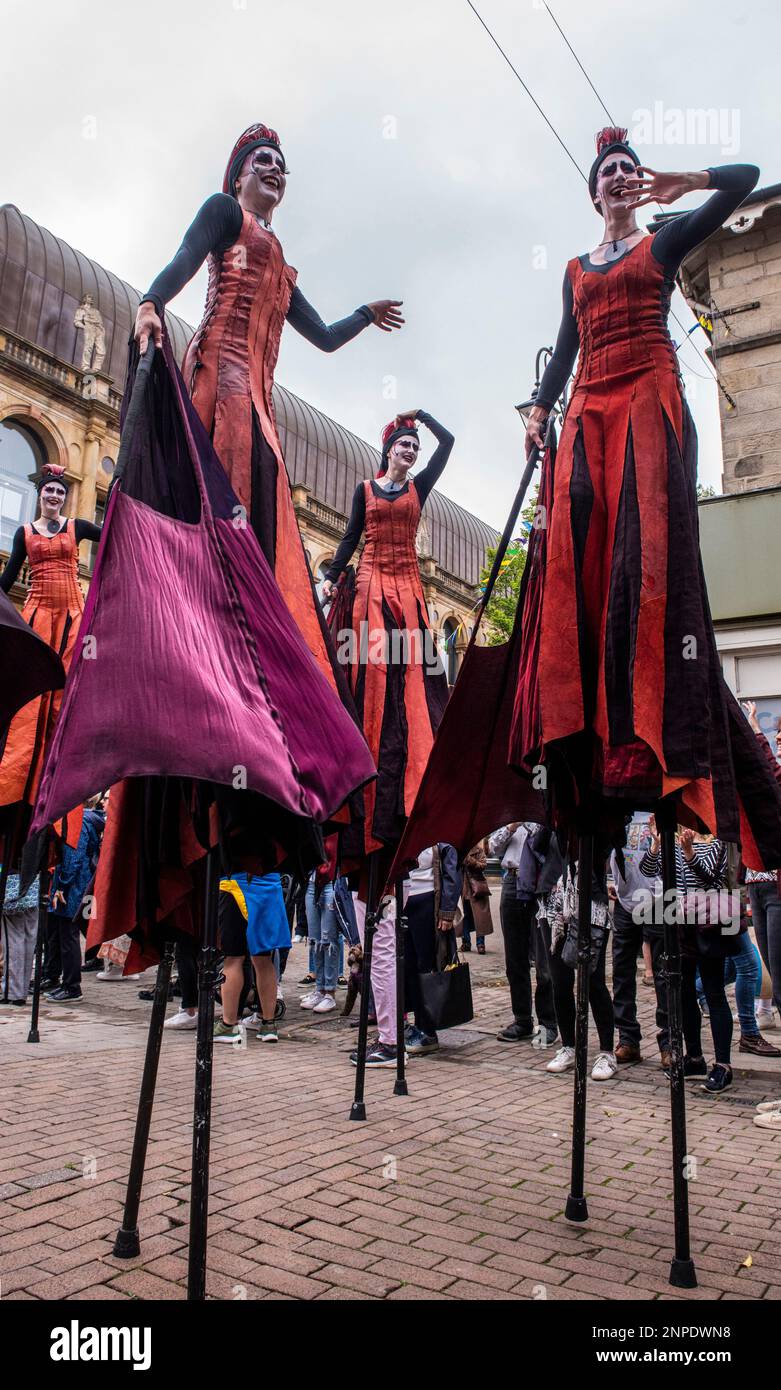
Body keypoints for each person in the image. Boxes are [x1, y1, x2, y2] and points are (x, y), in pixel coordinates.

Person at [512, 131, 781, 868]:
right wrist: (538, 411)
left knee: (644, 550)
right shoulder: (573, 269)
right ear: (594, 190)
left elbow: (743, 177)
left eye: (631, 170)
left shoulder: (661, 243)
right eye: (612, 172)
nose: (623, 178)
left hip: (646, 400)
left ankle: (648, 731)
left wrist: (679, 180)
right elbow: (563, 347)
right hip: (587, 409)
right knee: (582, 553)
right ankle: (579, 720)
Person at [135, 121, 402, 693]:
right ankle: (199, 642)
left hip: (260, 407)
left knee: (258, 522)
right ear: (237, 178)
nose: (275, 169)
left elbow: (326, 337)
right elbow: (186, 255)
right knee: (216, 511)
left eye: (281, 164)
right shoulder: (223, 213)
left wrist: (363, 314)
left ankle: (244, 660)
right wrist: (152, 300)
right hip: (218, 380)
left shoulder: (279, 259)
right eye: (262, 160)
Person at [322, 409, 453, 853]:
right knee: (372, 672)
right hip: (372, 584)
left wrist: (424, 419)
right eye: (405, 444)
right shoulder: (365, 490)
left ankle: (412, 759)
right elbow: (349, 536)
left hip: (408, 587)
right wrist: (331, 577)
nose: (411, 451)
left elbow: (448, 443)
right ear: (390, 449)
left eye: (415, 446)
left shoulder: (421, 487)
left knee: (411, 674)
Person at [0, 464, 100, 849]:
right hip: (39, 617)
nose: (54, 497)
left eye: (60, 492)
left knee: (63, 699)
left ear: (65, 497)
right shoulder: (25, 533)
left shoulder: (78, 527)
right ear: (40, 495)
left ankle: (55, 781)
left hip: (72, 620)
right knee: (32, 701)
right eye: (49, 492)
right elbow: (8, 578)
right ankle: (17, 783)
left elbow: (115, 534)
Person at [640, 827, 746, 1093]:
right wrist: (655, 845)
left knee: (713, 992)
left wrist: (688, 852)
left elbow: (712, 880)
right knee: (684, 992)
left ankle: (723, 1064)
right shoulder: (672, 839)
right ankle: (695, 1058)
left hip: (710, 922)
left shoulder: (718, 841)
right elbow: (648, 872)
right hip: (680, 922)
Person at [539, 854, 616, 1081]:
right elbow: (536, 845)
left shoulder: (598, 823)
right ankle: (568, 1047)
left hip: (590, 904)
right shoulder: (551, 824)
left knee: (593, 982)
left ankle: (606, 1053)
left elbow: (612, 845)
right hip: (554, 905)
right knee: (560, 982)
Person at [488, 823, 556, 1046]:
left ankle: (548, 1024)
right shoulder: (511, 813)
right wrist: (511, 827)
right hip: (512, 879)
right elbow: (492, 847)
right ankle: (523, 1020)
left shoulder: (544, 812)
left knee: (544, 961)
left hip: (541, 879)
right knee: (515, 960)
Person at [608, 814, 667, 1066]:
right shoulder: (619, 809)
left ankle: (669, 1043)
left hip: (657, 899)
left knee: (664, 974)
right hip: (624, 901)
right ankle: (628, 1039)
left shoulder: (659, 806)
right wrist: (610, 880)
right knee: (622, 971)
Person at [42, 797, 106, 1002]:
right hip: (77, 884)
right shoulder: (83, 819)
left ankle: (71, 985)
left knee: (68, 934)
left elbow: (74, 855)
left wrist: (63, 884)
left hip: (74, 886)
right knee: (63, 933)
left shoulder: (79, 820)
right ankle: (61, 978)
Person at [215, 873, 291, 1044]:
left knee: (233, 959)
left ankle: (229, 1024)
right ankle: (268, 1024)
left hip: (235, 884)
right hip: (269, 886)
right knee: (263, 959)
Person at [403, 843, 461, 1056]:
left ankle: (428, 1031)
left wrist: (447, 911)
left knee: (426, 967)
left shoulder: (441, 831)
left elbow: (452, 871)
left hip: (428, 901)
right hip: (403, 901)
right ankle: (415, 1026)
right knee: (408, 966)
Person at [0, 872, 38, 1006]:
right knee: (28, 937)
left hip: (12, 882)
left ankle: (12, 992)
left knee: (13, 939)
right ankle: (20, 991)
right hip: (33, 884)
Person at [460, 841, 492, 954]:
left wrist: (469, 860)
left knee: (479, 918)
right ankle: (466, 942)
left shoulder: (478, 850)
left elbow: (483, 865)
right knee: (464, 917)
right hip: (463, 888)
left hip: (476, 888)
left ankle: (480, 944)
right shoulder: (458, 850)